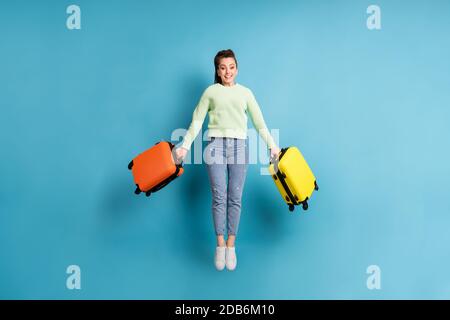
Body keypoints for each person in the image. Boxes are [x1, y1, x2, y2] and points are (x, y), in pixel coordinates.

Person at [175, 49, 280, 271]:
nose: (228, 71)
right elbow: (196, 121)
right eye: (223, 68)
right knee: (219, 196)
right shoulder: (210, 92)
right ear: (217, 70)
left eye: (231, 67)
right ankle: (220, 245)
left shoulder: (246, 93)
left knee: (235, 197)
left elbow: (259, 123)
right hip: (215, 147)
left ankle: (231, 246)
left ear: (237, 68)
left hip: (239, 147)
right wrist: (184, 146)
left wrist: (272, 145)